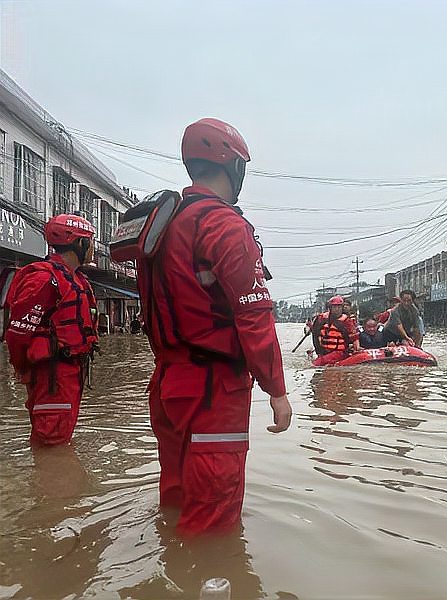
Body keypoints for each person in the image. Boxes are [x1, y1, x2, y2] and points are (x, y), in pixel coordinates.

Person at [139, 118, 291, 536]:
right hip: (213, 390)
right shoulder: (224, 225)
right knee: (212, 521)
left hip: (168, 383)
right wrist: (277, 390)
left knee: (176, 496)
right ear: (233, 166)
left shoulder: (163, 223)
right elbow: (254, 316)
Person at [3, 214, 99, 447]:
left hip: (69, 373)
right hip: (52, 376)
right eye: (90, 241)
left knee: (59, 439)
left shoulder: (77, 280)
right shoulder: (45, 278)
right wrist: (21, 367)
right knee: (51, 444)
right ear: (79, 243)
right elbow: (18, 332)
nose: (93, 248)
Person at [311, 295, 360, 366]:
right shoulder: (321, 318)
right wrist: (319, 352)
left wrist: (356, 349)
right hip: (324, 350)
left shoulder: (347, 321)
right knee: (320, 361)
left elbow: (354, 337)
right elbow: (315, 336)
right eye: (334, 307)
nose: (337, 309)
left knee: (316, 364)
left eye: (339, 307)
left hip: (340, 352)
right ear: (330, 308)